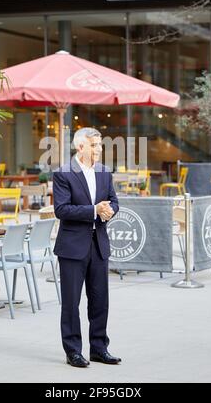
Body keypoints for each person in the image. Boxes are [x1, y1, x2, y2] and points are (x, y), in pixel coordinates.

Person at [53, 127, 121, 368]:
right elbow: (61, 209)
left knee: (100, 300)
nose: (99, 149)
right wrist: (94, 210)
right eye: (94, 145)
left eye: (100, 145)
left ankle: (99, 348)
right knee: (71, 303)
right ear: (80, 147)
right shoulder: (63, 173)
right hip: (72, 247)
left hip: (99, 245)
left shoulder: (104, 172)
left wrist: (109, 210)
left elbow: (114, 201)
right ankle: (73, 351)